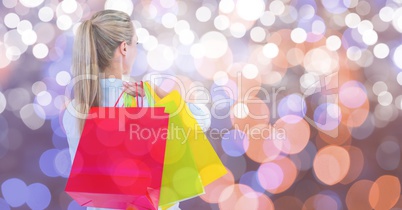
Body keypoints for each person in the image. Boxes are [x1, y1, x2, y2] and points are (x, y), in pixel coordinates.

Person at [62, 10, 180, 210]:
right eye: (136, 44)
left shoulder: (75, 110)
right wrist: (160, 96)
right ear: (124, 47)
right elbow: (197, 125)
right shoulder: (145, 100)